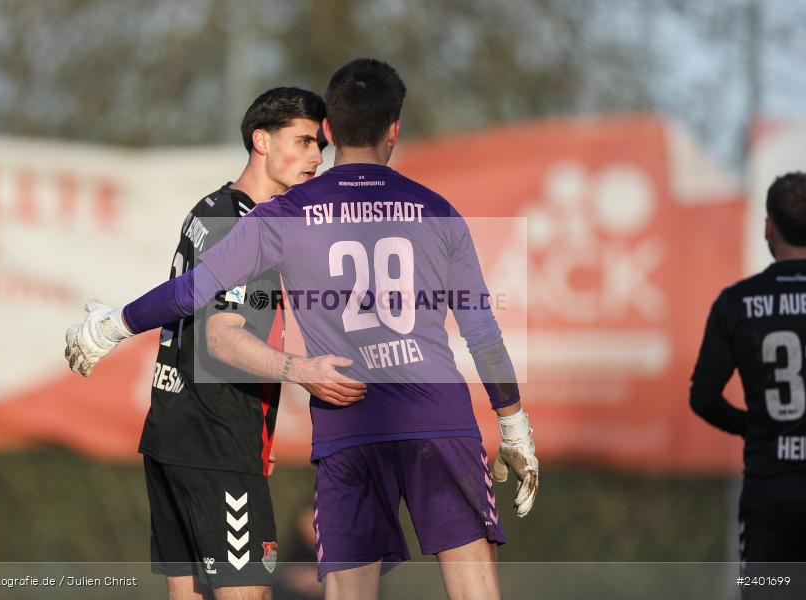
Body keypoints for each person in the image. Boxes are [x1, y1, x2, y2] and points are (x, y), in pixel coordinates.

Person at [66, 59, 538, 600]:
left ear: (331, 132)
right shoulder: (440, 211)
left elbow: (189, 292)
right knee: (474, 585)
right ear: (394, 130)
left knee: (348, 589)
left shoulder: (280, 214)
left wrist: (115, 325)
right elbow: (481, 330)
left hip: (349, 419)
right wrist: (514, 426)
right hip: (438, 415)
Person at [124, 87, 364, 600]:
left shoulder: (212, 208)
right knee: (247, 593)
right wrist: (305, 370)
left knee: (187, 594)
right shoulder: (243, 224)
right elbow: (224, 338)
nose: (316, 158)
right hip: (216, 437)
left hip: (172, 428)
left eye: (320, 146)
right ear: (261, 140)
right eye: (302, 141)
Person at [691, 172, 806, 594]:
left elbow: (703, 397)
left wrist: (753, 426)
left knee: (768, 592)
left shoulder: (736, 302)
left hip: (769, 496)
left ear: (769, 227)